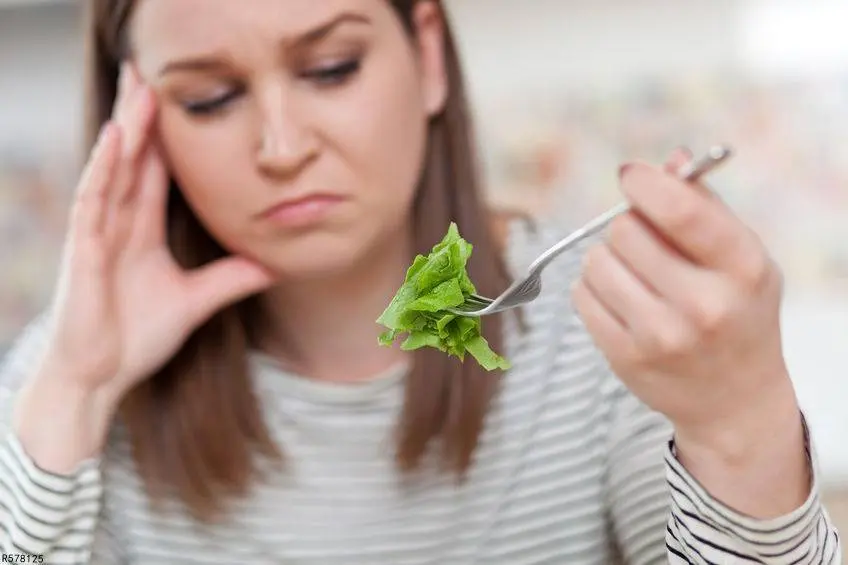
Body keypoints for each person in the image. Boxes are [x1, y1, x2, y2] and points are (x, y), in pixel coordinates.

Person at [0, 0, 840, 563]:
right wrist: (74, 389)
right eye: (212, 97)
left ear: (428, 52)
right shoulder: (67, 375)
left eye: (330, 67)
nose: (282, 146)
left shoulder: (606, 326)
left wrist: (741, 428)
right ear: (135, 118)